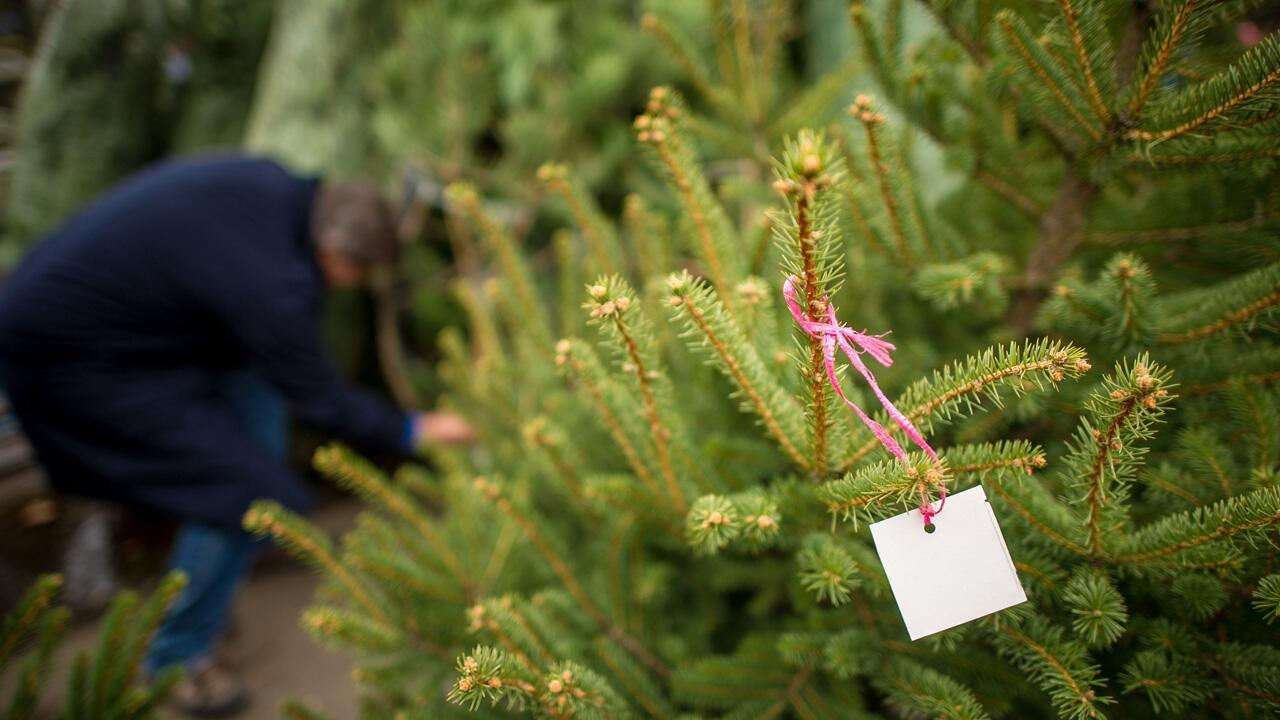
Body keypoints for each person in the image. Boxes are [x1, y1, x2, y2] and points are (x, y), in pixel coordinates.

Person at [0, 155, 473, 717]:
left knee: (254, 439)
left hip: (110, 318)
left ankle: (218, 568)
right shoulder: (274, 284)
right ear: (335, 254)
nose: (352, 288)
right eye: (357, 275)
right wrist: (414, 428)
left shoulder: (274, 188)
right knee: (243, 494)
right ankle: (178, 658)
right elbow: (321, 398)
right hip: (69, 356)